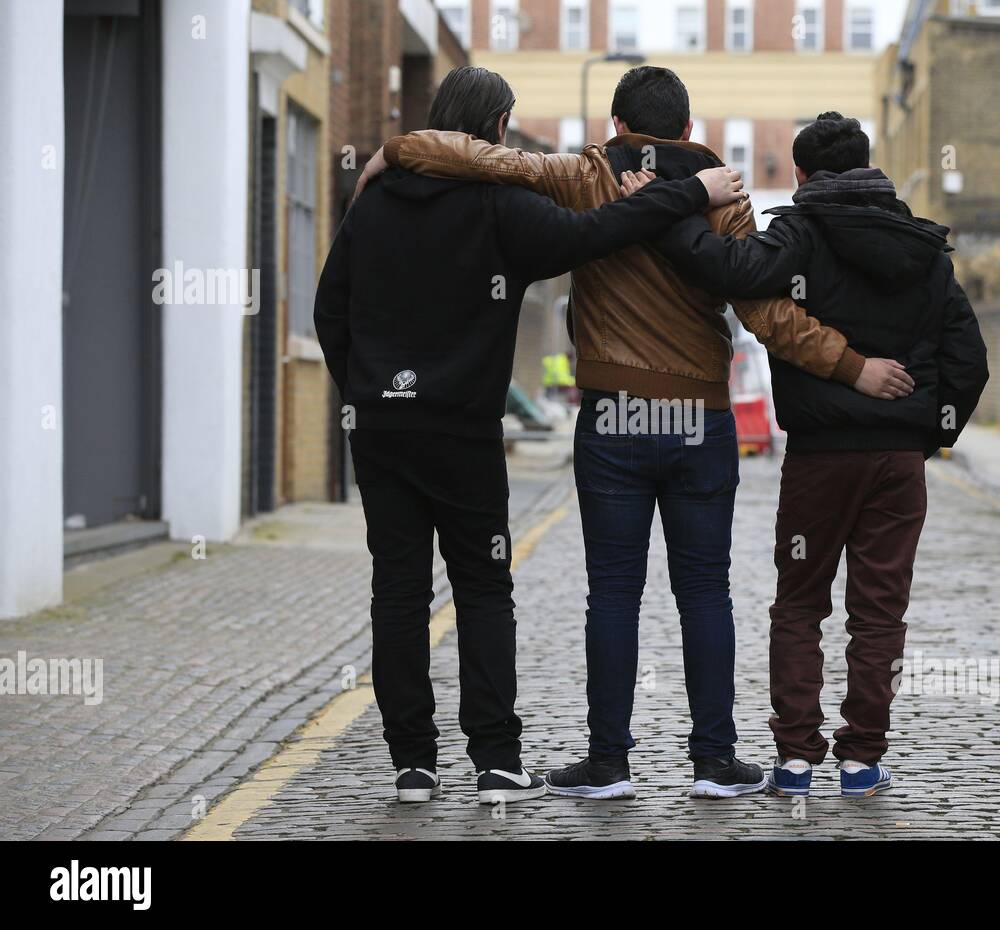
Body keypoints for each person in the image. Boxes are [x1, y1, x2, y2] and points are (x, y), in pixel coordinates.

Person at [353, 67, 883, 800]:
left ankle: (609, 763)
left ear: (612, 126)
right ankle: (713, 763)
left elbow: (490, 158)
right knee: (705, 593)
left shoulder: (583, 174)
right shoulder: (724, 190)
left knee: (612, 594)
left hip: (614, 418)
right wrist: (854, 366)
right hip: (699, 416)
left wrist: (402, 149)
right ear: (689, 131)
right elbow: (767, 315)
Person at [313, 66, 747, 805]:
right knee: (487, 588)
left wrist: (367, 389)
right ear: (501, 122)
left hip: (387, 424)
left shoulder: (376, 201)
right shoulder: (502, 205)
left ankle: (417, 765)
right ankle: (499, 762)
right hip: (476, 426)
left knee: (400, 589)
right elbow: (600, 234)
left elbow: (331, 308)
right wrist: (690, 195)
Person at [653, 112, 990, 798]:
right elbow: (970, 362)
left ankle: (797, 759)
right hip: (898, 462)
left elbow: (732, 268)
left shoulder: (801, 232)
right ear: (871, 165)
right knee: (879, 613)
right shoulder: (925, 248)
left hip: (818, 461)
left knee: (799, 606)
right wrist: (927, 434)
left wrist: (681, 211)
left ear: (802, 175)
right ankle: (862, 760)